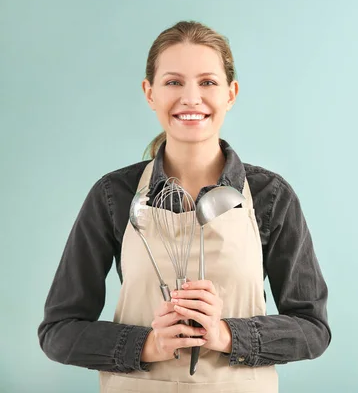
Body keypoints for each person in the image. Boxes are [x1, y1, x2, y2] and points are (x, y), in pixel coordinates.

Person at [38, 20, 331, 393]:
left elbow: (313, 329)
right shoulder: (116, 194)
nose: (191, 98)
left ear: (231, 93)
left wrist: (226, 335)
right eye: (173, 82)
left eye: (207, 82)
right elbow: (58, 330)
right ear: (150, 93)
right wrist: (149, 344)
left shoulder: (270, 195)